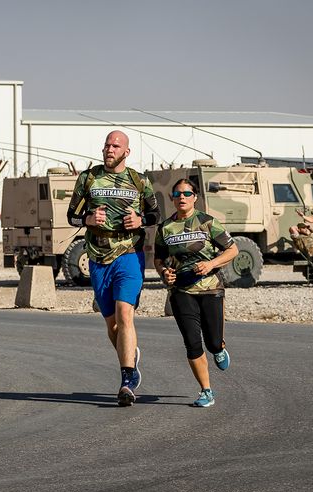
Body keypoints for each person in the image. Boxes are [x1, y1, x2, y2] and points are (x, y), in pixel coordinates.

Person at [65, 130, 161, 407]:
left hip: (129, 254)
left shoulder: (139, 180)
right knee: (112, 325)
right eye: (107, 145)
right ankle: (130, 355)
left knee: (124, 314)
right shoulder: (88, 178)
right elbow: (71, 216)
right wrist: (88, 217)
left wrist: (140, 220)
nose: (109, 149)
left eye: (115, 146)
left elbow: (156, 214)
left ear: (126, 152)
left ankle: (127, 380)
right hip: (97, 256)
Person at [154, 178, 238, 408]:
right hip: (181, 290)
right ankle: (206, 391)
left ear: (195, 197)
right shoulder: (165, 228)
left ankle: (218, 348)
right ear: (172, 197)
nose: (182, 197)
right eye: (177, 193)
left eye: (187, 193)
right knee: (192, 342)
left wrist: (211, 264)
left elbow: (233, 249)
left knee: (211, 342)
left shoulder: (207, 222)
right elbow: (159, 259)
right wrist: (164, 272)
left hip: (210, 288)